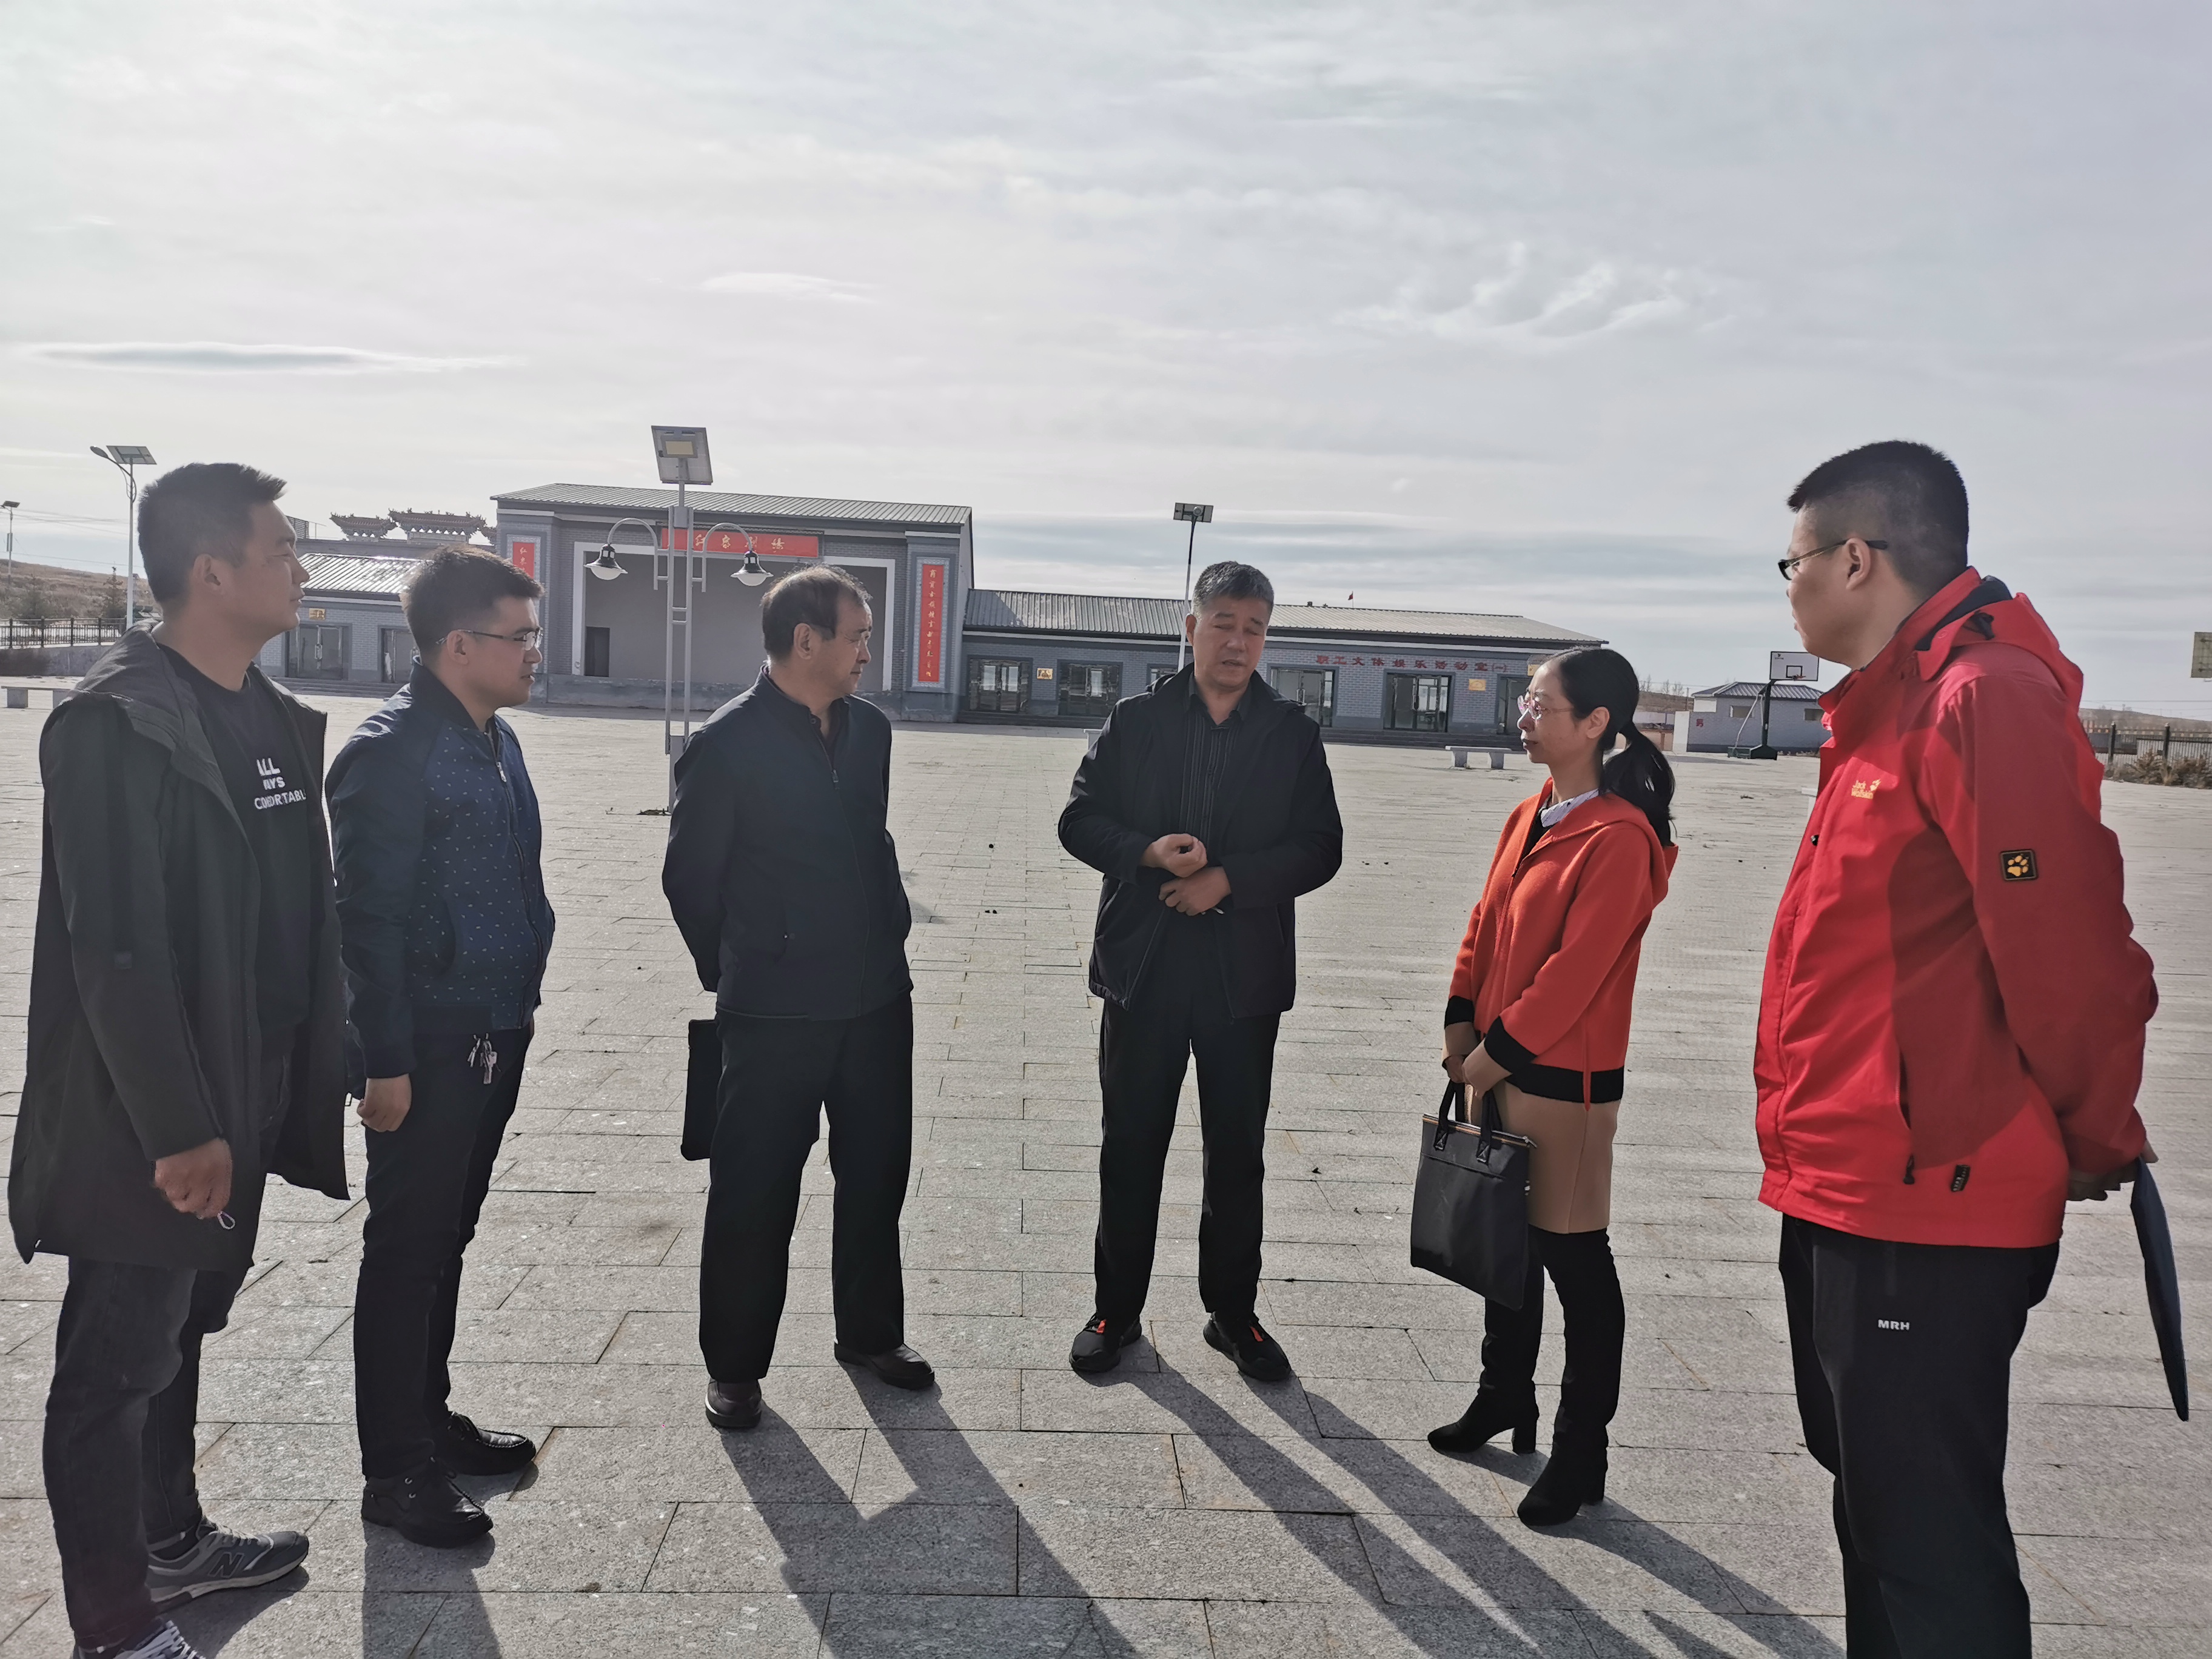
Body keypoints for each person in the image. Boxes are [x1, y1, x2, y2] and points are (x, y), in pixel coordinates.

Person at [1760, 440, 2157, 1657]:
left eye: (1792, 561)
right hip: (1847, 1185)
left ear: (1857, 559)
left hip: (1928, 1204)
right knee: (1878, 1516)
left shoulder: (1982, 699)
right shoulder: (1885, 708)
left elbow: (2068, 950)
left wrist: (2093, 1132)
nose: (1787, 585)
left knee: (1929, 1545)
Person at [11, 463, 348, 1659]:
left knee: (175, 1335)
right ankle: (113, 1627)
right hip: (149, 1113)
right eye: (282, 549)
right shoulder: (115, 722)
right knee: (111, 1369)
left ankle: (172, 1541)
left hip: (247, 1084)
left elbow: (300, 912)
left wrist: (337, 1057)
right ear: (211, 571)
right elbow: (113, 948)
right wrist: (177, 1127)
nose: (299, 569)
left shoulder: (268, 713)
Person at [1057, 560, 1343, 1380]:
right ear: (1192, 628)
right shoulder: (1137, 720)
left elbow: (1321, 847)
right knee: (1131, 1144)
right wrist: (1147, 853)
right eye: (1224, 623)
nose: (1239, 642)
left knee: (1237, 1152)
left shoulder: (1290, 733)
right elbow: (1079, 820)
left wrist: (1229, 881)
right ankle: (1116, 1310)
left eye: (1255, 628)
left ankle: (1233, 1313)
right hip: (1143, 971)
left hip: (1241, 978)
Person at [663, 565, 929, 1432]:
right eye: (858, 637)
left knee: (877, 1173)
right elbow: (690, 879)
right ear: (805, 640)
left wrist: (888, 928)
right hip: (773, 1011)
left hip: (876, 997)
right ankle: (734, 1367)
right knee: (756, 1189)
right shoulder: (726, 744)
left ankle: (871, 1333)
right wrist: (746, 964)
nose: (867, 653)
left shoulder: (870, 732)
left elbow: (872, 842)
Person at [327, 546, 555, 1546]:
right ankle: (395, 1471)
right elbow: (363, 920)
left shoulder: (495, 738)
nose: (536, 652)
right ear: (459, 645)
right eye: (521, 636)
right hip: (426, 1040)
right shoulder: (390, 752)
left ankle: (428, 1419)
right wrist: (382, 1059)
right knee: (407, 1250)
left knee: (447, 1238)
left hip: (496, 1026)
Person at [1425, 647, 1676, 1526]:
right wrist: (1459, 1023)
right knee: (1505, 1248)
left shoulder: (1620, 838)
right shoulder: (1530, 811)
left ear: (1596, 723)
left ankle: (1581, 1451)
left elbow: (1576, 974)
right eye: (1527, 702)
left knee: (1575, 1263)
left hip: (1562, 1083)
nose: (1524, 716)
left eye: (1541, 705)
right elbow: (1483, 924)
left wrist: (1490, 1057)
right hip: (1493, 1064)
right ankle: (1504, 1394)